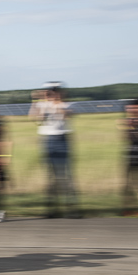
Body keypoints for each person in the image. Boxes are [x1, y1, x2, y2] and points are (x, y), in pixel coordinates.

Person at [29, 83, 81, 218]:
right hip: (47, 139)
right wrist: (37, 100)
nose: (53, 94)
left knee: (66, 176)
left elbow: (67, 115)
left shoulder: (67, 105)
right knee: (50, 176)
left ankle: (71, 208)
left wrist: (57, 103)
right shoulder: (42, 105)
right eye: (51, 92)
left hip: (62, 139)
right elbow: (34, 118)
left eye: (56, 92)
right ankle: (51, 208)